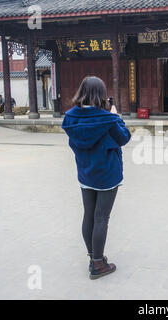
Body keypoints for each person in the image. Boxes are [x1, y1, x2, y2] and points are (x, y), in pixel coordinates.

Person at [61, 76, 131, 280]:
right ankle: (98, 265)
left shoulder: (70, 117)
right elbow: (124, 138)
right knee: (101, 218)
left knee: (89, 215)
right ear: (102, 94)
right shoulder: (107, 118)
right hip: (107, 174)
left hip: (85, 172)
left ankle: (93, 257)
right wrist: (117, 116)